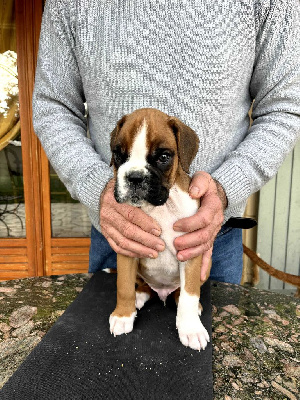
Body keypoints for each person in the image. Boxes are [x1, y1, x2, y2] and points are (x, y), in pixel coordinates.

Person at [33, 0, 300, 285]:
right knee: (112, 325)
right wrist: (95, 185)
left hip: (209, 234)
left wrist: (227, 188)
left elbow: (284, 106)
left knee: (202, 326)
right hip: (120, 230)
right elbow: (53, 106)